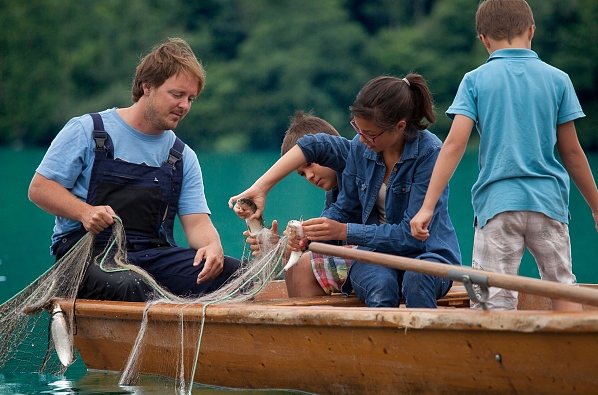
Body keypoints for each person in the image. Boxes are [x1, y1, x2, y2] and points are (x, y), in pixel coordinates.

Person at [410, 0, 598, 311]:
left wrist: (426, 206)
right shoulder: (558, 79)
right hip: (548, 203)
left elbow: (454, 145)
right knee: (563, 288)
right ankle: (569, 355)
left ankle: (494, 358)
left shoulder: (475, 80)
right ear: (531, 30)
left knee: (491, 298)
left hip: (496, 206)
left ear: (482, 39)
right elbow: (573, 152)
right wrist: (595, 206)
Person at [28, 37, 241, 302]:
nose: (185, 106)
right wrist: (84, 212)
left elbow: (197, 222)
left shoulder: (183, 156)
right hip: (85, 254)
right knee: (133, 285)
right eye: (177, 95)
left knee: (236, 274)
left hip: (151, 254)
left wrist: (212, 246)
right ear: (147, 87)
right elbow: (39, 189)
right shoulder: (86, 130)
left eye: (191, 99)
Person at [232, 75, 462, 308]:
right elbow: (341, 201)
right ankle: (381, 344)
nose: (362, 139)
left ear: (399, 126)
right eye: (358, 129)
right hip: (374, 256)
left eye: (370, 133)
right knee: (379, 284)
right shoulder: (362, 149)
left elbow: (409, 235)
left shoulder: (429, 153)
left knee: (417, 279)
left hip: (427, 255)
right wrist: (306, 229)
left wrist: (343, 231)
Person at [231, 110, 355, 297]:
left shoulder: (354, 168)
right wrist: (280, 246)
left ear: (328, 151)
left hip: (377, 259)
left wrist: (261, 188)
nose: (310, 176)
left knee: (304, 263)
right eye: (302, 174)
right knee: (291, 254)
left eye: (310, 164)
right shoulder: (333, 194)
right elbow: (322, 238)